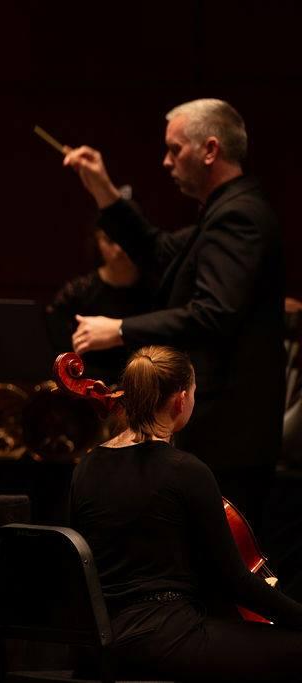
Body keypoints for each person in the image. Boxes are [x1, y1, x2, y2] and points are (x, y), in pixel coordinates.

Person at [62, 98, 285, 520]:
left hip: (231, 433)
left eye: (175, 149)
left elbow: (214, 312)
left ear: (210, 150)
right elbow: (160, 252)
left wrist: (121, 328)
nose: (166, 162)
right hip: (224, 430)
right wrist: (103, 191)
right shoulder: (223, 212)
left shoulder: (240, 217)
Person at [69, 346, 302, 681]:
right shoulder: (186, 471)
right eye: (193, 392)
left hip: (98, 643)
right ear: (180, 400)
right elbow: (235, 581)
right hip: (166, 639)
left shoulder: (86, 467)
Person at [46, 228, 152, 385]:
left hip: (144, 385)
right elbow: (57, 347)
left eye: (126, 239)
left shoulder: (157, 289)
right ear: (97, 242)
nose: (120, 249)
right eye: (110, 241)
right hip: (90, 389)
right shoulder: (77, 293)